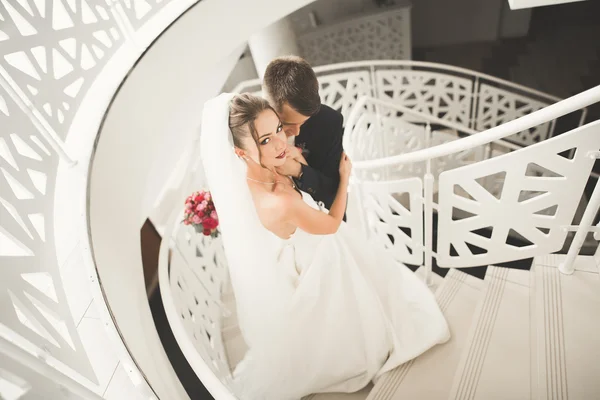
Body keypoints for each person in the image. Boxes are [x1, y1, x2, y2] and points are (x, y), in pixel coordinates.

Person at [200, 93, 450, 400]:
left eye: (279, 128)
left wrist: (291, 166)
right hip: (319, 253)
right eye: (265, 140)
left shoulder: (259, 174)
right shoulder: (278, 202)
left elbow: (290, 171)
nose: (281, 143)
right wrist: (345, 179)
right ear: (240, 153)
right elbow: (331, 224)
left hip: (305, 245)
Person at [262, 56, 343, 211]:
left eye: (304, 122)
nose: (297, 131)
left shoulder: (328, 122)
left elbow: (333, 194)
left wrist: (298, 170)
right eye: (287, 124)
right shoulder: (252, 127)